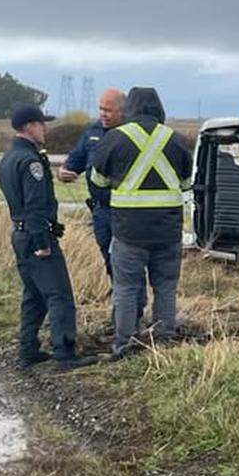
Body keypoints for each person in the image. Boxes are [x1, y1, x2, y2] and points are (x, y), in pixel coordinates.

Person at [89, 87, 193, 358]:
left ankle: (125, 345)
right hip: (168, 231)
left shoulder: (114, 139)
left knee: (125, 288)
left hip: (128, 231)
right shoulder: (177, 140)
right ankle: (164, 340)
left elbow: (97, 180)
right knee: (166, 287)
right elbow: (186, 184)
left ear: (129, 109)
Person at [0, 105, 98, 371]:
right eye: (42, 124)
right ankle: (65, 351)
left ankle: (28, 348)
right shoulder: (31, 162)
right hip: (35, 237)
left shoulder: (9, 158)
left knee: (34, 295)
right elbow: (35, 205)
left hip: (19, 235)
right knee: (59, 295)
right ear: (29, 126)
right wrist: (42, 242)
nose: (45, 128)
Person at [58, 88, 146, 326]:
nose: (103, 114)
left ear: (123, 110)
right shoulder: (92, 133)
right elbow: (74, 162)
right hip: (101, 212)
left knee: (128, 264)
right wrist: (65, 172)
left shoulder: (133, 133)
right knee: (111, 264)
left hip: (127, 212)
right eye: (100, 109)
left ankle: (132, 315)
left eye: (108, 110)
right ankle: (121, 311)